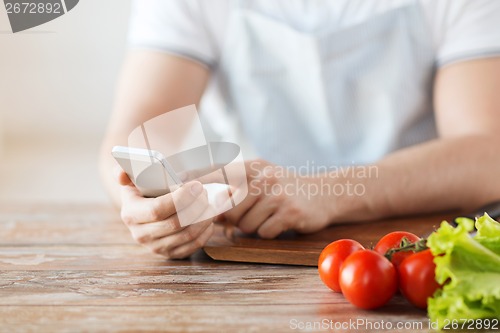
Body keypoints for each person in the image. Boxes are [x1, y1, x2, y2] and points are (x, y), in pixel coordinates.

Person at [100, 0, 500, 259]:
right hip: (247, 246)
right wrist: (145, 202)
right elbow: (134, 137)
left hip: (412, 247)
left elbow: (487, 155)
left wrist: (325, 192)